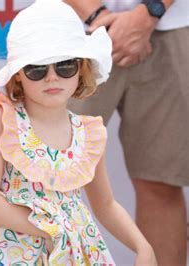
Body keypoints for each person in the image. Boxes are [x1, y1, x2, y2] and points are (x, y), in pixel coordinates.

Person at [0, 0, 155, 264]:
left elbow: (106, 205)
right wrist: (51, 231)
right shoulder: (3, 119)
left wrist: (142, 245)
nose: (52, 77)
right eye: (37, 69)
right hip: (17, 252)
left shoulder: (88, 135)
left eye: (64, 65)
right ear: (18, 74)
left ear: (81, 68)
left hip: (76, 253)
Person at [65, 0, 189, 264]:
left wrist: (149, 13)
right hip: (67, 28)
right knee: (42, 176)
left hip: (170, 24)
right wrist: (98, 15)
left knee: (160, 181)